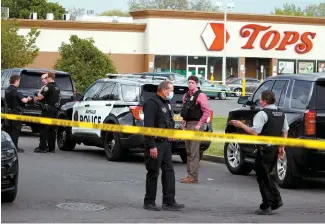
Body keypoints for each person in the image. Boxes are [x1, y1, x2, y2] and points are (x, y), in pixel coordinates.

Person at [230, 90, 289, 215]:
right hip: (274, 149)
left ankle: (267, 205)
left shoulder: (262, 114)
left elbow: (255, 131)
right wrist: (281, 148)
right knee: (267, 176)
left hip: (264, 150)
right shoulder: (281, 114)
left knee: (262, 178)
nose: (260, 101)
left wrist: (241, 125)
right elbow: (285, 132)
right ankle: (275, 200)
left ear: (265, 101)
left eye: (261, 99)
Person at [143, 80, 185, 211]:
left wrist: (171, 133)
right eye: (171, 90)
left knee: (168, 171)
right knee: (153, 172)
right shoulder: (151, 103)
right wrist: (151, 146)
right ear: (163, 90)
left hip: (165, 143)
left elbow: (168, 121)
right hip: (155, 143)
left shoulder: (166, 103)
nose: (172, 93)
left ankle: (169, 201)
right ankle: (149, 201)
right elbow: (148, 127)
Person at [180, 75, 211, 184]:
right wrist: (183, 122)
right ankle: (189, 175)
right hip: (187, 124)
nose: (190, 84)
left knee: (194, 152)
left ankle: (193, 176)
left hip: (195, 125)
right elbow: (184, 110)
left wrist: (199, 125)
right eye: (189, 82)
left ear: (196, 84)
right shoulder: (186, 95)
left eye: (192, 83)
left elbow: (207, 111)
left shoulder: (201, 95)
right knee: (188, 151)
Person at [4, 75, 33, 152]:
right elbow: (24, 100)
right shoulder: (16, 90)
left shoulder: (7, 89)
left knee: (9, 131)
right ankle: (15, 147)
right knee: (16, 131)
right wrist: (28, 98)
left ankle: (8, 147)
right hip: (16, 113)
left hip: (9, 112)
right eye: (19, 81)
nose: (19, 83)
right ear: (16, 81)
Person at [34, 72, 61, 153]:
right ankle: (51, 148)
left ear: (49, 78)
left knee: (44, 129)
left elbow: (40, 97)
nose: (45, 80)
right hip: (55, 110)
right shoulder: (57, 87)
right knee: (52, 130)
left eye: (46, 78)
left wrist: (37, 96)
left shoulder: (48, 87)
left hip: (47, 110)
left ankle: (42, 148)